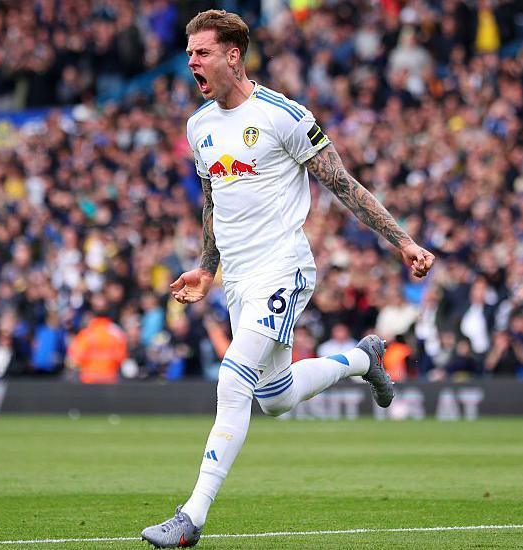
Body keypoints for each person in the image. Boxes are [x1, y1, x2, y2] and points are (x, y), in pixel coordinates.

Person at [141, 10, 435, 548]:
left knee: (233, 379)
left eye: (201, 53)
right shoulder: (199, 126)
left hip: (284, 268)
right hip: (239, 282)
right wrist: (208, 270)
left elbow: (343, 185)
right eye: (188, 54)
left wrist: (404, 242)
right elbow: (213, 202)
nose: (191, 62)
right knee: (272, 398)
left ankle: (191, 517)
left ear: (233, 56)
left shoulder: (284, 115)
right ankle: (362, 360)